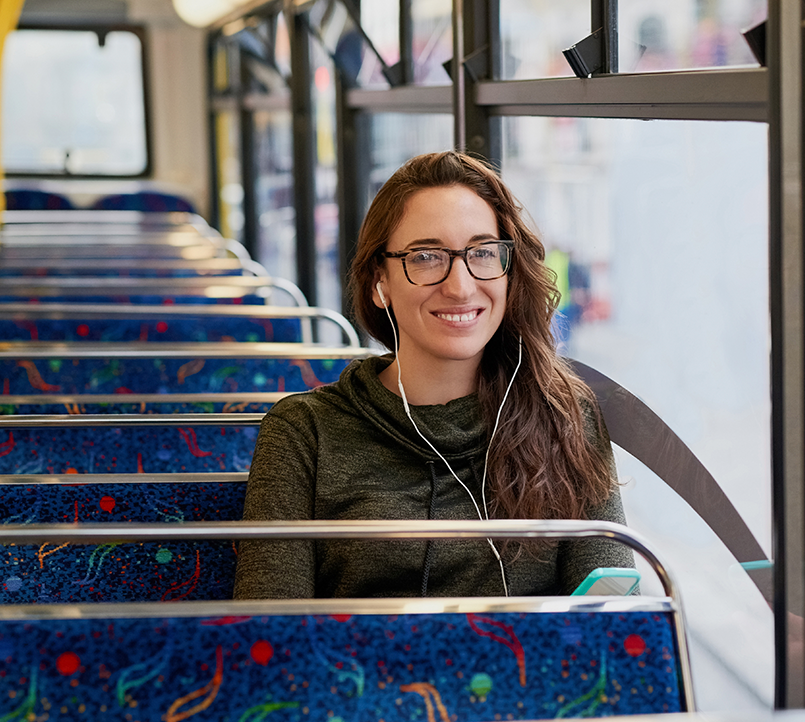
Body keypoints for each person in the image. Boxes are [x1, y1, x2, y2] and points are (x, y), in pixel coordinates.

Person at [234, 151, 632, 599]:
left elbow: (613, 621)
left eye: (482, 252)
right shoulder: (303, 432)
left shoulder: (566, 416)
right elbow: (269, 634)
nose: (460, 286)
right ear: (378, 283)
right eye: (426, 257)